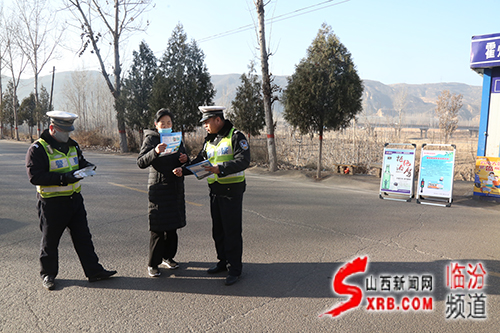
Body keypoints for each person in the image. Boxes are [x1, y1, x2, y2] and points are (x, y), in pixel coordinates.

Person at [25, 111, 117, 291]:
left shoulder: (73, 146)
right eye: (63, 131)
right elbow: (35, 176)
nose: (67, 135)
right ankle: (48, 275)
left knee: (84, 238)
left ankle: (94, 271)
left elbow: (79, 162)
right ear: (52, 128)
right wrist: (63, 178)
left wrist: (88, 167)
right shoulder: (38, 149)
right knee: (50, 242)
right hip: (52, 203)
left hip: (75, 201)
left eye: (69, 131)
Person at [174, 106, 250, 286]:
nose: (205, 126)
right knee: (218, 230)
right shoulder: (210, 140)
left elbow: (243, 160)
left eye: (207, 122)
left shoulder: (235, 136)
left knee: (231, 231)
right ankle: (223, 262)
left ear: (218, 119)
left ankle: (235, 269)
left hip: (232, 190)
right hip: (215, 189)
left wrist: (220, 169)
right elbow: (200, 161)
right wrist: (183, 170)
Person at [137, 109, 189, 277]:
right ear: (156, 125)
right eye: (163, 123)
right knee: (158, 229)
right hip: (159, 188)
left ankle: (168, 257)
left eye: (169, 123)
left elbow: (184, 155)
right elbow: (141, 162)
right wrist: (155, 152)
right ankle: (153, 263)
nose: (167, 126)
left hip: (174, 187)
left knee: (173, 227)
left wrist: (184, 159)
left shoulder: (176, 138)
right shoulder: (151, 139)